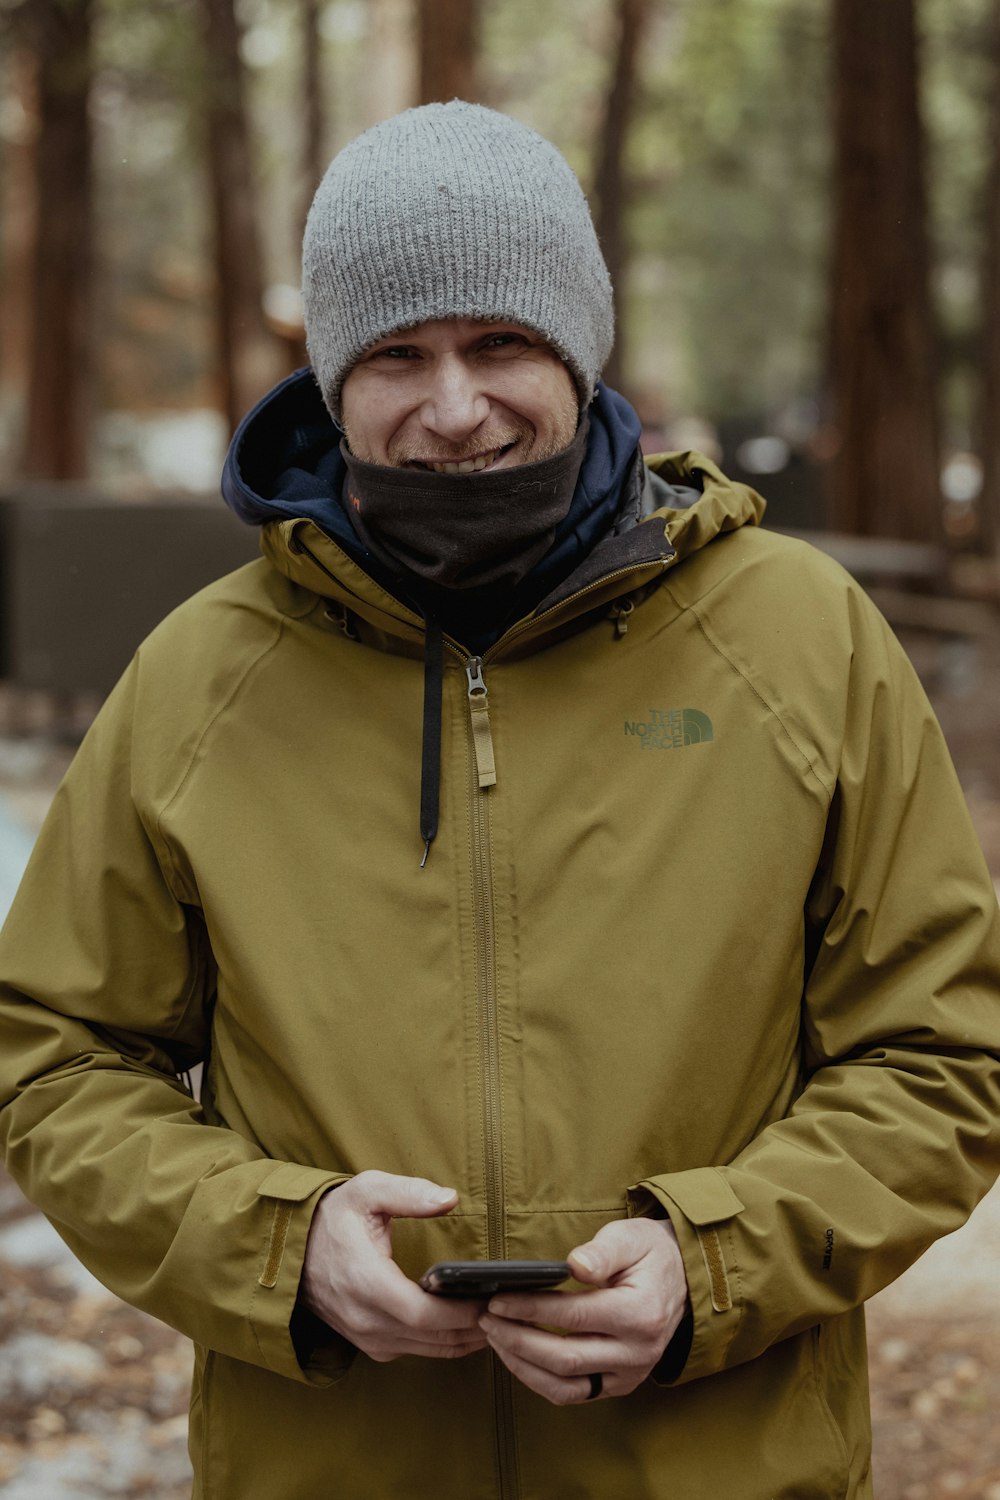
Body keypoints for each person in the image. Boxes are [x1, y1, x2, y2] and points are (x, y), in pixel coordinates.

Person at [0, 100, 998, 1500]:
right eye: (397, 355)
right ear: (332, 380)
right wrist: (277, 1247)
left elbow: (943, 1056)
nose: (453, 408)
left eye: (500, 344)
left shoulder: (801, 642)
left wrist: (713, 1259)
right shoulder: (202, 679)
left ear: (579, 352)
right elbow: (54, 1058)